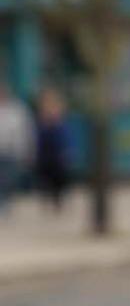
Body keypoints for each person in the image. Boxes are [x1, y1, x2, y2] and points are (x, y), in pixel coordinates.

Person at [32, 88, 71, 213]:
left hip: (57, 155)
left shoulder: (59, 122)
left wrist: (67, 151)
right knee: (45, 180)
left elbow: (64, 137)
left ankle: (57, 202)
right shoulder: (41, 121)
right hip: (45, 155)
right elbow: (37, 139)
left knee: (58, 180)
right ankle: (48, 200)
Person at [0, 81, 30, 215]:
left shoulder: (16, 110)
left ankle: (5, 203)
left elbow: (23, 132)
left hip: (10, 152)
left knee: (7, 181)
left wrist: (24, 151)